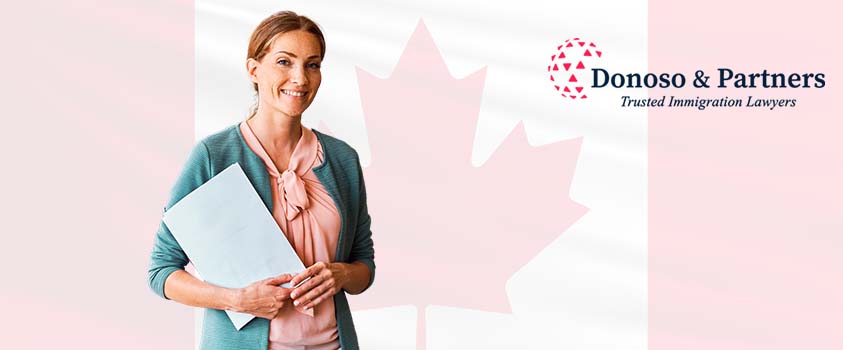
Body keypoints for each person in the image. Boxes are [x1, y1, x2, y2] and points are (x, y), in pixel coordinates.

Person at [147, 11, 375, 350]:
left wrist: (340, 274)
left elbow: (363, 267)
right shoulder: (214, 156)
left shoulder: (342, 160)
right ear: (254, 69)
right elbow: (162, 272)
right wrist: (236, 300)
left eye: (312, 65)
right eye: (284, 62)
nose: (300, 78)